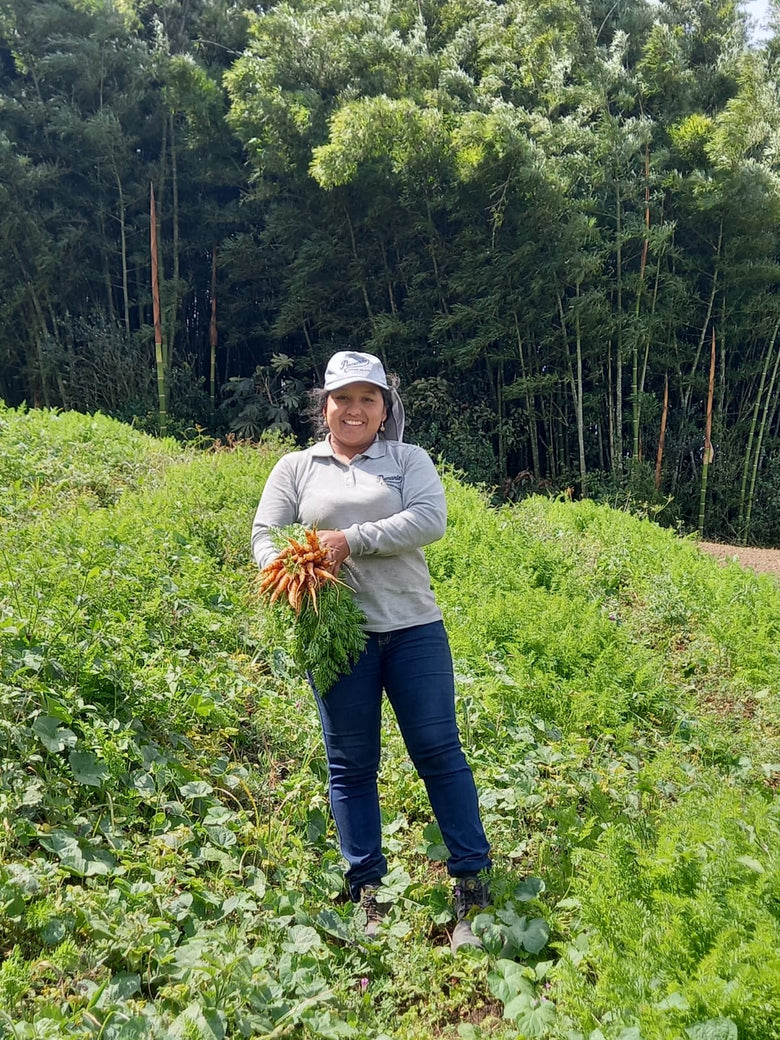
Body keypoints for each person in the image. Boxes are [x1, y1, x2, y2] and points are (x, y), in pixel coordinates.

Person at [251, 350, 491, 952]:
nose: (354, 409)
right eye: (343, 398)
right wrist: (288, 568)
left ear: (385, 408)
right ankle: (368, 889)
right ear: (324, 406)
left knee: (438, 751)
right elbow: (264, 534)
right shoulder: (296, 468)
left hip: (413, 628)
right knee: (350, 765)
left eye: (368, 398)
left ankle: (469, 883)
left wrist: (347, 541)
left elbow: (429, 520)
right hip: (337, 635)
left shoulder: (409, 461)